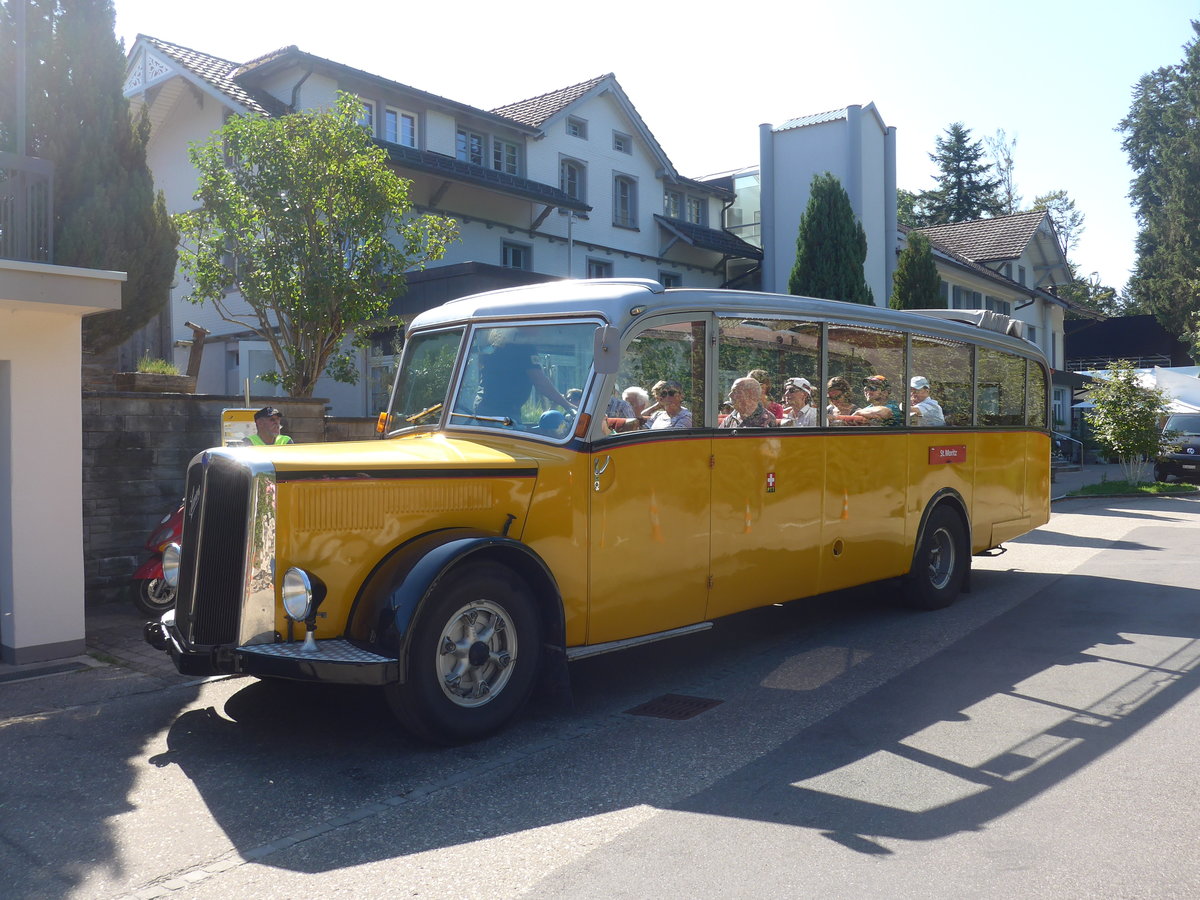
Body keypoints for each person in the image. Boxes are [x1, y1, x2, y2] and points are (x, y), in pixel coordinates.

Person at [474, 329, 574, 422]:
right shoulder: (523, 347)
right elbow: (540, 382)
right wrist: (568, 406)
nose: (539, 329)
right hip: (499, 412)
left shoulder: (500, 345)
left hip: (488, 407)